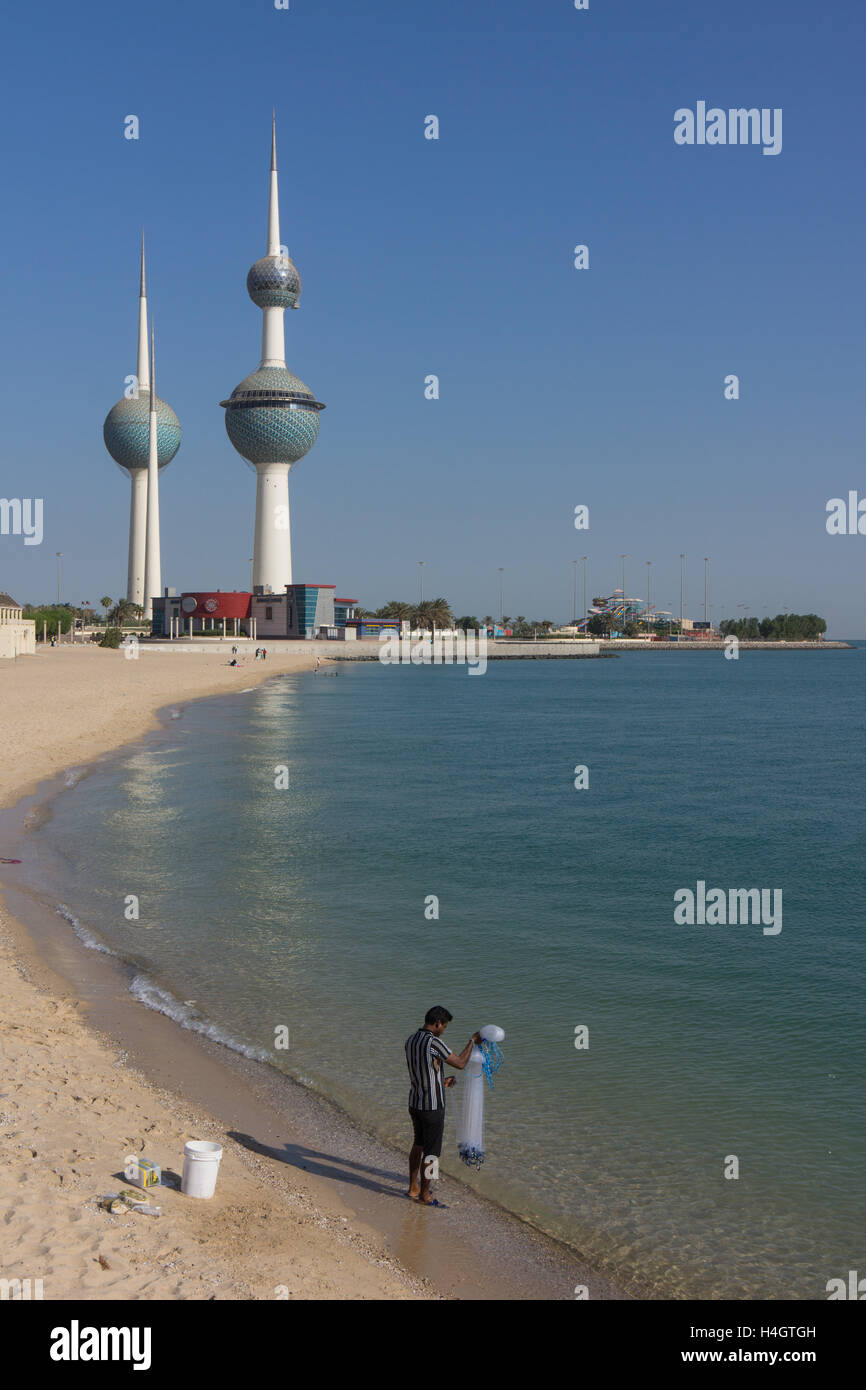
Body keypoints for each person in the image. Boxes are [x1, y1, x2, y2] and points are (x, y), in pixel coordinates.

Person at [405, 1006, 482, 1206]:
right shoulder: (434, 1042)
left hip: (415, 1102)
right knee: (432, 1153)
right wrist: (472, 1042)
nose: (444, 1030)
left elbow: (423, 1069)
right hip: (432, 1107)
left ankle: (413, 1187)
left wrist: (441, 1081)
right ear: (437, 1023)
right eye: (444, 1026)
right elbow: (460, 1063)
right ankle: (426, 1194)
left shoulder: (411, 1040)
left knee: (418, 1145)